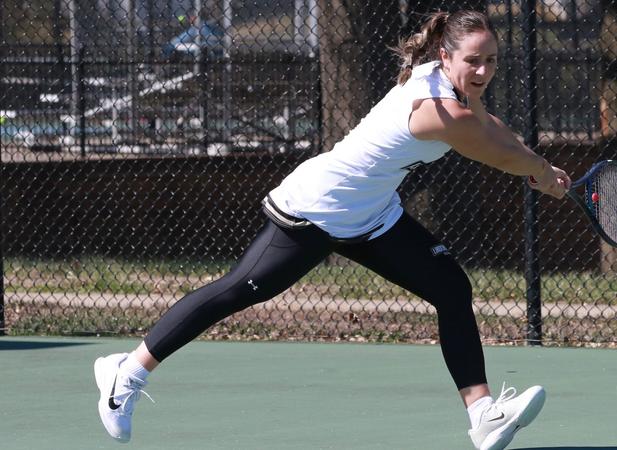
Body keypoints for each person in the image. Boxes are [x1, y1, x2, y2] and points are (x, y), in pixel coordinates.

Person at [93, 10, 571, 450]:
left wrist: (541, 165)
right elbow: (493, 149)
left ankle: (483, 414)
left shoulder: (456, 89)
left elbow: (495, 128)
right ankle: (126, 373)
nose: (485, 71)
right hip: (318, 208)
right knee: (238, 291)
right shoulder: (437, 112)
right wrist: (540, 174)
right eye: (475, 61)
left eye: (491, 60)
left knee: (450, 288)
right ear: (446, 56)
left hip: (373, 215)